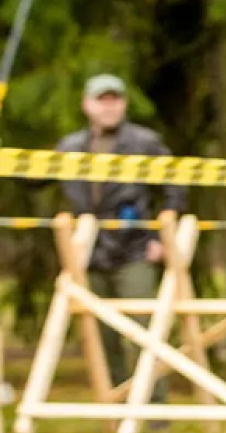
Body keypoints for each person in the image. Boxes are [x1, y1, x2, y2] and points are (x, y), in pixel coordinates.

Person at [55, 74, 184, 408]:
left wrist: (161, 236)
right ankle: (113, 404)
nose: (109, 106)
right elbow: (31, 178)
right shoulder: (69, 147)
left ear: (124, 104)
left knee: (145, 330)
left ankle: (154, 410)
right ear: (87, 104)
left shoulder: (145, 142)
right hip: (88, 253)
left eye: (115, 99)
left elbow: (175, 187)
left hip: (135, 248)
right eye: (102, 99)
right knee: (100, 335)